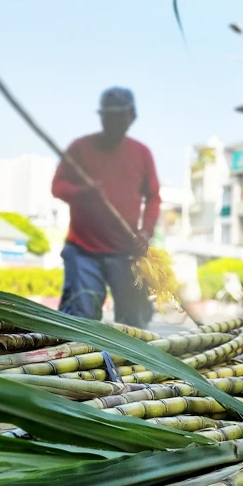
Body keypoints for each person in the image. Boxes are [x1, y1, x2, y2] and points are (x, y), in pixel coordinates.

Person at [52, 87, 160, 328]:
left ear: (131, 117)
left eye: (119, 115)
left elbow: (154, 197)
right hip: (83, 251)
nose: (112, 121)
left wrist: (146, 232)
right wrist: (83, 193)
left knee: (134, 323)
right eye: (107, 115)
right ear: (101, 117)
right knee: (81, 317)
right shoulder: (80, 148)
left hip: (126, 252)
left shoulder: (141, 153)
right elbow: (57, 186)